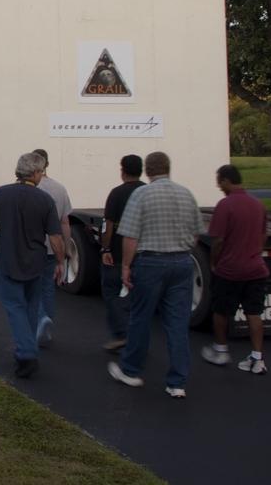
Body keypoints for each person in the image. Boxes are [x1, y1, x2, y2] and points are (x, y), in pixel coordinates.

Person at [108, 151, 203, 399]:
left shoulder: (142, 194)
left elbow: (130, 235)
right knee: (177, 323)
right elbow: (196, 233)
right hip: (182, 261)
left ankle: (130, 370)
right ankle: (177, 382)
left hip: (151, 262)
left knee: (141, 317)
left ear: (148, 171)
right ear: (168, 168)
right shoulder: (186, 193)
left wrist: (126, 266)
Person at [0, 151, 65, 378]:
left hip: (7, 260)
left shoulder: (0, 194)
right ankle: (28, 347)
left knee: (14, 307)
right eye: (41, 172)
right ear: (35, 173)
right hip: (36, 263)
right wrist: (60, 261)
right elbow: (55, 237)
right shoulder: (45, 200)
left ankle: (26, 353)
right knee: (30, 307)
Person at [201, 164, 269, 373]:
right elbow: (264, 235)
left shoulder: (225, 205)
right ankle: (257, 358)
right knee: (254, 313)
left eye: (219, 182)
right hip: (256, 269)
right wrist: (255, 252)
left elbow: (218, 240)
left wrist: (214, 262)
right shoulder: (258, 204)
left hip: (230, 270)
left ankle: (221, 350)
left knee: (221, 310)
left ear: (226, 180)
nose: (219, 186)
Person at [100, 154, 144, 351]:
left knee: (112, 292)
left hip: (118, 252)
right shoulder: (146, 192)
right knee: (139, 297)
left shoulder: (117, 193)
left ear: (123, 171)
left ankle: (121, 333)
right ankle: (137, 336)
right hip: (143, 253)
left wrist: (106, 248)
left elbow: (108, 224)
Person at [31, 148, 73, 347]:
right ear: (47, 164)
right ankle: (47, 319)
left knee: (31, 286)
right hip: (52, 245)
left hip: (32, 245)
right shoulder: (59, 188)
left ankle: (39, 319)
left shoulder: (30, 189)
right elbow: (65, 222)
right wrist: (66, 247)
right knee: (47, 286)